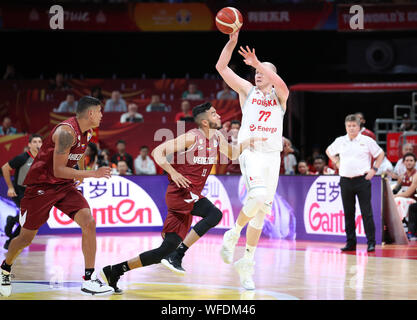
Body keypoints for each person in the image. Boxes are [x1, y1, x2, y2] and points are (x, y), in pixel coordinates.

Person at [100, 102, 263, 294]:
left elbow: (233, 153)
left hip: (191, 195)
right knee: (215, 214)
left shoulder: (218, 137)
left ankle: (115, 271)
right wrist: (172, 172)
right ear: (204, 122)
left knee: (164, 250)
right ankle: (178, 254)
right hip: (180, 193)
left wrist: (247, 142)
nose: (218, 115)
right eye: (213, 114)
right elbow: (157, 152)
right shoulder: (192, 137)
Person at [0, 96, 114, 297]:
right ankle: (4, 269)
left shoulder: (87, 132)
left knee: (89, 222)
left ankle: (89, 279)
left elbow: (76, 158)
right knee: (26, 238)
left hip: (64, 186)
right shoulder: (65, 132)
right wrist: (91, 174)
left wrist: (81, 174)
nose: (102, 115)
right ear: (90, 113)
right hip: (40, 187)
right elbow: (59, 169)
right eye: (100, 111)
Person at [216, 30, 289, 290]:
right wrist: (232, 42)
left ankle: (247, 263)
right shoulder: (248, 91)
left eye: (264, 71)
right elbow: (221, 67)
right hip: (252, 153)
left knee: (260, 215)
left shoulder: (280, 97)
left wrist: (260, 63)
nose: (258, 74)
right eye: (256, 71)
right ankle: (233, 233)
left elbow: (282, 86)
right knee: (257, 197)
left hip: (272, 159)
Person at [326, 114, 384, 253]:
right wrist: (337, 162)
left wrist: (374, 169)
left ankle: (371, 243)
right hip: (345, 181)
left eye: (354, 126)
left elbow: (380, 154)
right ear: (346, 127)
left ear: (359, 127)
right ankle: (350, 242)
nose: (351, 128)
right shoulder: (341, 140)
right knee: (348, 213)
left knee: (366, 213)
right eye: (349, 126)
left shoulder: (366, 140)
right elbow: (328, 151)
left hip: (362, 180)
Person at [1, 134, 43, 250]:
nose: (37, 144)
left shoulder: (43, 159)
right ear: (29, 145)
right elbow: (5, 168)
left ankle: (12, 220)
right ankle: (10, 241)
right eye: (34, 142)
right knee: (27, 218)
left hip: (34, 193)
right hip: (20, 192)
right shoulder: (22, 158)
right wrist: (10, 187)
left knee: (27, 219)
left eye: (39, 141)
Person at [392, 153, 417, 224]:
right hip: (403, 198)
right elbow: (395, 190)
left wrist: (394, 196)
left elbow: (408, 194)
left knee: (397, 200)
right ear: (403, 162)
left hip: (413, 199)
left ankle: (399, 223)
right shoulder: (402, 175)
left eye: (411, 161)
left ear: (415, 162)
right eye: (407, 160)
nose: (409, 162)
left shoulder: (416, 175)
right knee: (391, 200)